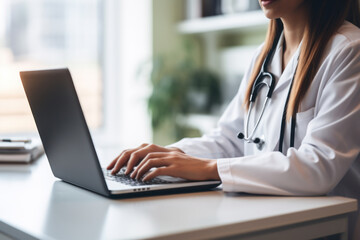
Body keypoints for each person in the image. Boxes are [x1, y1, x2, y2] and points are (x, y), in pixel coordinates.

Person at [108, 0, 360, 238]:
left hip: (323, 228)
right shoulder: (264, 56)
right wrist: (170, 155)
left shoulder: (349, 49)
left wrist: (209, 169)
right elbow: (229, 139)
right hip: (267, 217)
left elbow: (319, 166)